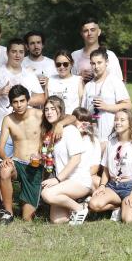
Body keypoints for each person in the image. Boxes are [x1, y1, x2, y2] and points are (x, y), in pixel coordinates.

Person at [41, 96, 94, 225]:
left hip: (79, 180)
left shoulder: (70, 130)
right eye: (46, 109)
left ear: (61, 110)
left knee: (47, 194)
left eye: (53, 109)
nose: (49, 112)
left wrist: (57, 179)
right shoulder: (50, 133)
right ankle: (82, 204)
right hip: (65, 182)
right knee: (58, 220)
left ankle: (80, 209)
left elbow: (76, 159)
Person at [0, 38, 45, 158]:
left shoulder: (29, 74)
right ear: (7, 53)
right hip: (0, 126)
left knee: (22, 165)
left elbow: (42, 98)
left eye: (21, 52)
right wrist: (0, 92)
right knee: (3, 167)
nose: (17, 55)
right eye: (14, 51)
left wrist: (21, 100)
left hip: (23, 129)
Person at [88, 109, 132, 223]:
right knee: (94, 204)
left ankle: (124, 207)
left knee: (129, 220)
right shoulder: (111, 143)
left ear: (130, 123)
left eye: (122, 120)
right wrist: (102, 186)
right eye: (116, 120)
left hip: (130, 186)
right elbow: (106, 169)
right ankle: (117, 207)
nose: (118, 122)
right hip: (113, 185)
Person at [0, 85, 44, 222]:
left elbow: (66, 118)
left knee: (27, 218)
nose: (19, 105)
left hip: (35, 165)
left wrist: (59, 125)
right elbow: (0, 147)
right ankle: (8, 212)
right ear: (11, 103)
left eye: (22, 101)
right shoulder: (8, 119)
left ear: (28, 100)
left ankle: (35, 201)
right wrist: (5, 158)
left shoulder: (39, 115)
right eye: (15, 102)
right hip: (17, 162)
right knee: (5, 171)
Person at [81, 48, 131, 145]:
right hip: (92, 137)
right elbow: (84, 112)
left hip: (111, 137)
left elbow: (128, 105)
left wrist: (107, 107)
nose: (96, 67)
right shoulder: (88, 86)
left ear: (106, 62)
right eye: (93, 63)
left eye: (99, 63)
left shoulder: (114, 81)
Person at [73, 107, 103, 189]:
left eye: (86, 121)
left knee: (99, 182)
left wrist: (82, 176)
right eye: (80, 120)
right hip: (70, 176)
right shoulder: (69, 138)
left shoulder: (94, 141)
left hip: (87, 175)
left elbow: (95, 166)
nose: (83, 123)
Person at [47, 50, 84, 115]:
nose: (62, 67)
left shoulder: (78, 80)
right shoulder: (50, 80)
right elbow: (46, 103)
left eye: (65, 64)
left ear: (72, 64)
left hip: (72, 120)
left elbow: (82, 104)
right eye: (58, 64)